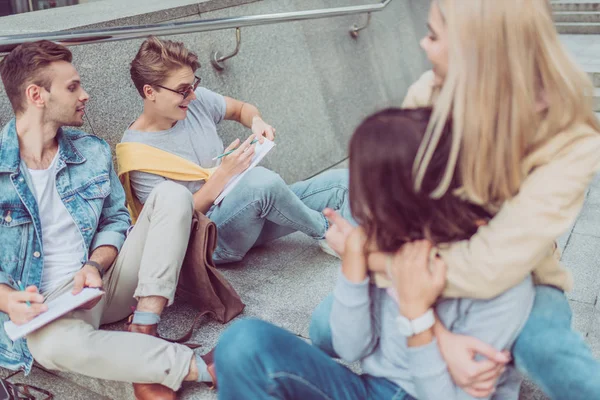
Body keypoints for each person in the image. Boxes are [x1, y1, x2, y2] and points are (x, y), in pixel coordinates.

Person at [312, 1, 600, 399]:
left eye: (433, 35)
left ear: (478, 50)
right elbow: (395, 204)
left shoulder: (570, 139)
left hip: (517, 278)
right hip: (420, 253)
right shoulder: (428, 94)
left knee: (545, 348)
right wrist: (436, 334)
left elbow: (489, 268)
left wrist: (363, 257)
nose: (422, 45)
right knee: (326, 327)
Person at [214, 107, 532, 399]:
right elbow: (353, 348)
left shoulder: (499, 280)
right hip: (376, 390)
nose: (359, 197)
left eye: (369, 185)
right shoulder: (390, 246)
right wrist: (355, 268)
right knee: (244, 343)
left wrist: (418, 318)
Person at [0, 40, 215, 400]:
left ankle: (144, 328)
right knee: (51, 348)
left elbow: (116, 220)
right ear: (36, 95)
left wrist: (94, 265)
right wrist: (8, 301)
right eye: (72, 87)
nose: (84, 95)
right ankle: (196, 367)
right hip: (46, 309)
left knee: (173, 194)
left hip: (104, 283)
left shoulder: (91, 151)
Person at [119, 36, 352, 264]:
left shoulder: (193, 101)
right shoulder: (136, 153)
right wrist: (224, 174)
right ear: (150, 92)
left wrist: (257, 122)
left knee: (343, 182)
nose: (192, 95)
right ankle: (329, 234)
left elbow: (241, 109)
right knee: (262, 183)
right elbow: (172, 219)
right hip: (210, 241)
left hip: (247, 208)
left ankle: (359, 231)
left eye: (193, 85)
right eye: (183, 90)